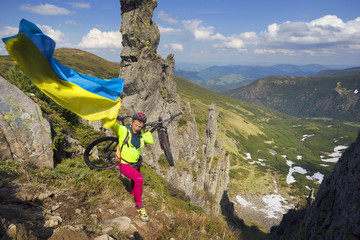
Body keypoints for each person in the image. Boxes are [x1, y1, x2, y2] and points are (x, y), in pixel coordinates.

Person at [110, 112, 154, 222]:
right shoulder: (124, 130)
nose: (137, 128)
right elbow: (111, 124)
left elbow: (151, 140)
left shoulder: (140, 134)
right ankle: (139, 206)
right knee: (139, 178)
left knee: (135, 181)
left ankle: (134, 196)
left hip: (135, 164)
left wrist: (145, 130)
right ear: (131, 122)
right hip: (123, 164)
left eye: (140, 126)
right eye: (136, 125)